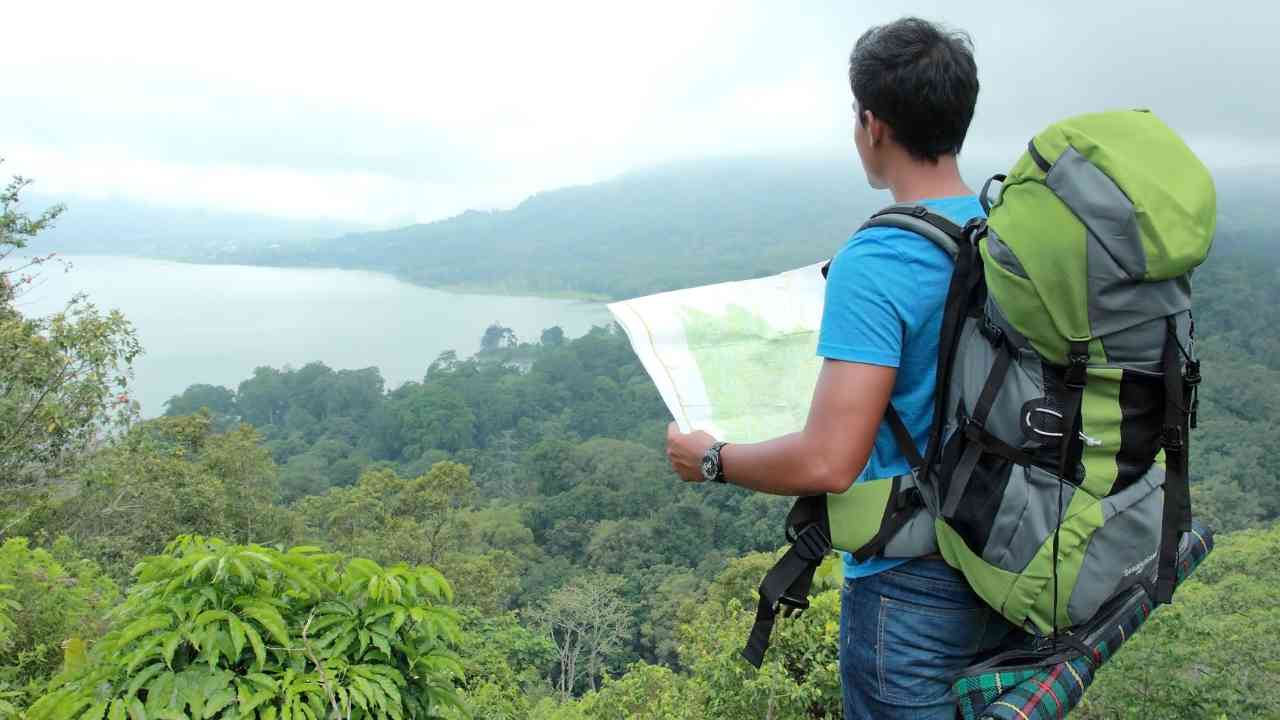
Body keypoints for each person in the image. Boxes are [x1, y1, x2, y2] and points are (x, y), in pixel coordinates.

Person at [665, 17, 1010, 719]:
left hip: (912, 591)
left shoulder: (880, 258)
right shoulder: (1005, 232)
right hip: (1010, 562)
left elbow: (829, 462)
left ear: (873, 124)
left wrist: (712, 459)